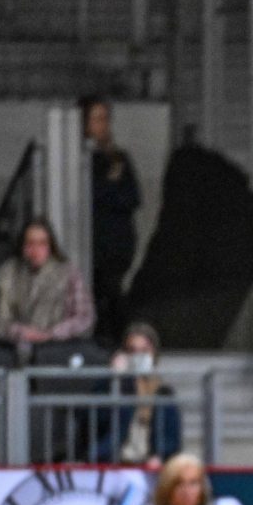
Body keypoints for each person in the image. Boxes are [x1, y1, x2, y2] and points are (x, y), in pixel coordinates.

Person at [82, 96, 142, 342]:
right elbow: (88, 197)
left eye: (106, 119)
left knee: (112, 294)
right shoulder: (82, 160)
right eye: (97, 119)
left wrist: (111, 188)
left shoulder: (119, 159)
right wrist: (110, 184)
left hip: (116, 245)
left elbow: (133, 198)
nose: (103, 125)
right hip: (90, 243)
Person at [0, 219, 96, 347]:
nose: (36, 250)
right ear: (22, 246)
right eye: (30, 243)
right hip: (14, 349)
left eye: (42, 243)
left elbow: (85, 318)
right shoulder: (6, 274)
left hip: (58, 350)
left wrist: (51, 334)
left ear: (50, 246)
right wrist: (20, 332)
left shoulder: (68, 274)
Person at [92, 321, 182, 466]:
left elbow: (171, 436)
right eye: (132, 351)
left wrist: (159, 456)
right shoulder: (114, 386)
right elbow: (97, 420)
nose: (138, 356)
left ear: (154, 354)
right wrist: (114, 380)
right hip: (115, 462)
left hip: (149, 465)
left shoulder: (163, 392)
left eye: (144, 351)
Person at [128, 452, 214, 505]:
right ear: (167, 488)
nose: (187, 491)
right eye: (179, 483)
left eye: (193, 483)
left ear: (203, 488)